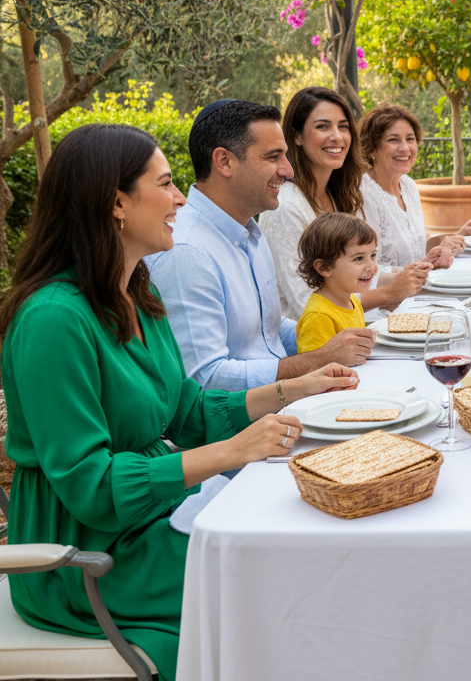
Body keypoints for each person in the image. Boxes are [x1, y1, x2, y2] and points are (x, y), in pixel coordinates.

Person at [0, 124, 359, 679]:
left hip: (151, 517)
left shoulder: (136, 293)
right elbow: (90, 487)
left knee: (301, 546)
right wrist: (230, 454)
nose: (181, 199)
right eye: (166, 184)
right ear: (116, 202)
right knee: (281, 579)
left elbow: (187, 411)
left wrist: (298, 388)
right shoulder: (52, 320)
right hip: (85, 557)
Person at [148, 99, 376, 392]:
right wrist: (317, 359)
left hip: (282, 404)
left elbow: (266, 332)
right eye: (273, 157)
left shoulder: (249, 232)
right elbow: (204, 380)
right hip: (250, 425)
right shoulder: (187, 252)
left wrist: (331, 334)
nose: (288, 170)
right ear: (224, 161)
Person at [260, 86, 428, 319]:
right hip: (309, 344)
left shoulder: (339, 195)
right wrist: (388, 293)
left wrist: (410, 278)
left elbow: (351, 277)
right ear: (296, 136)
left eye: (343, 126)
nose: (337, 136)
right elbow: (307, 304)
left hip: (348, 329)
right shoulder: (286, 207)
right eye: (322, 126)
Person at [359, 103, 471, 269]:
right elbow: (365, 269)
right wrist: (423, 266)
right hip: (391, 294)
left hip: (419, 287)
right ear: (372, 148)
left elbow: (416, 245)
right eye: (393, 140)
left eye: (410, 139)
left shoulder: (408, 185)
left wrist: (455, 238)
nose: (405, 148)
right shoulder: (363, 194)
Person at [296, 213, 377, 353]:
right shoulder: (319, 316)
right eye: (359, 258)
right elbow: (313, 367)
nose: (371, 267)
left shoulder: (352, 301)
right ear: (324, 268)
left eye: (373, 256)